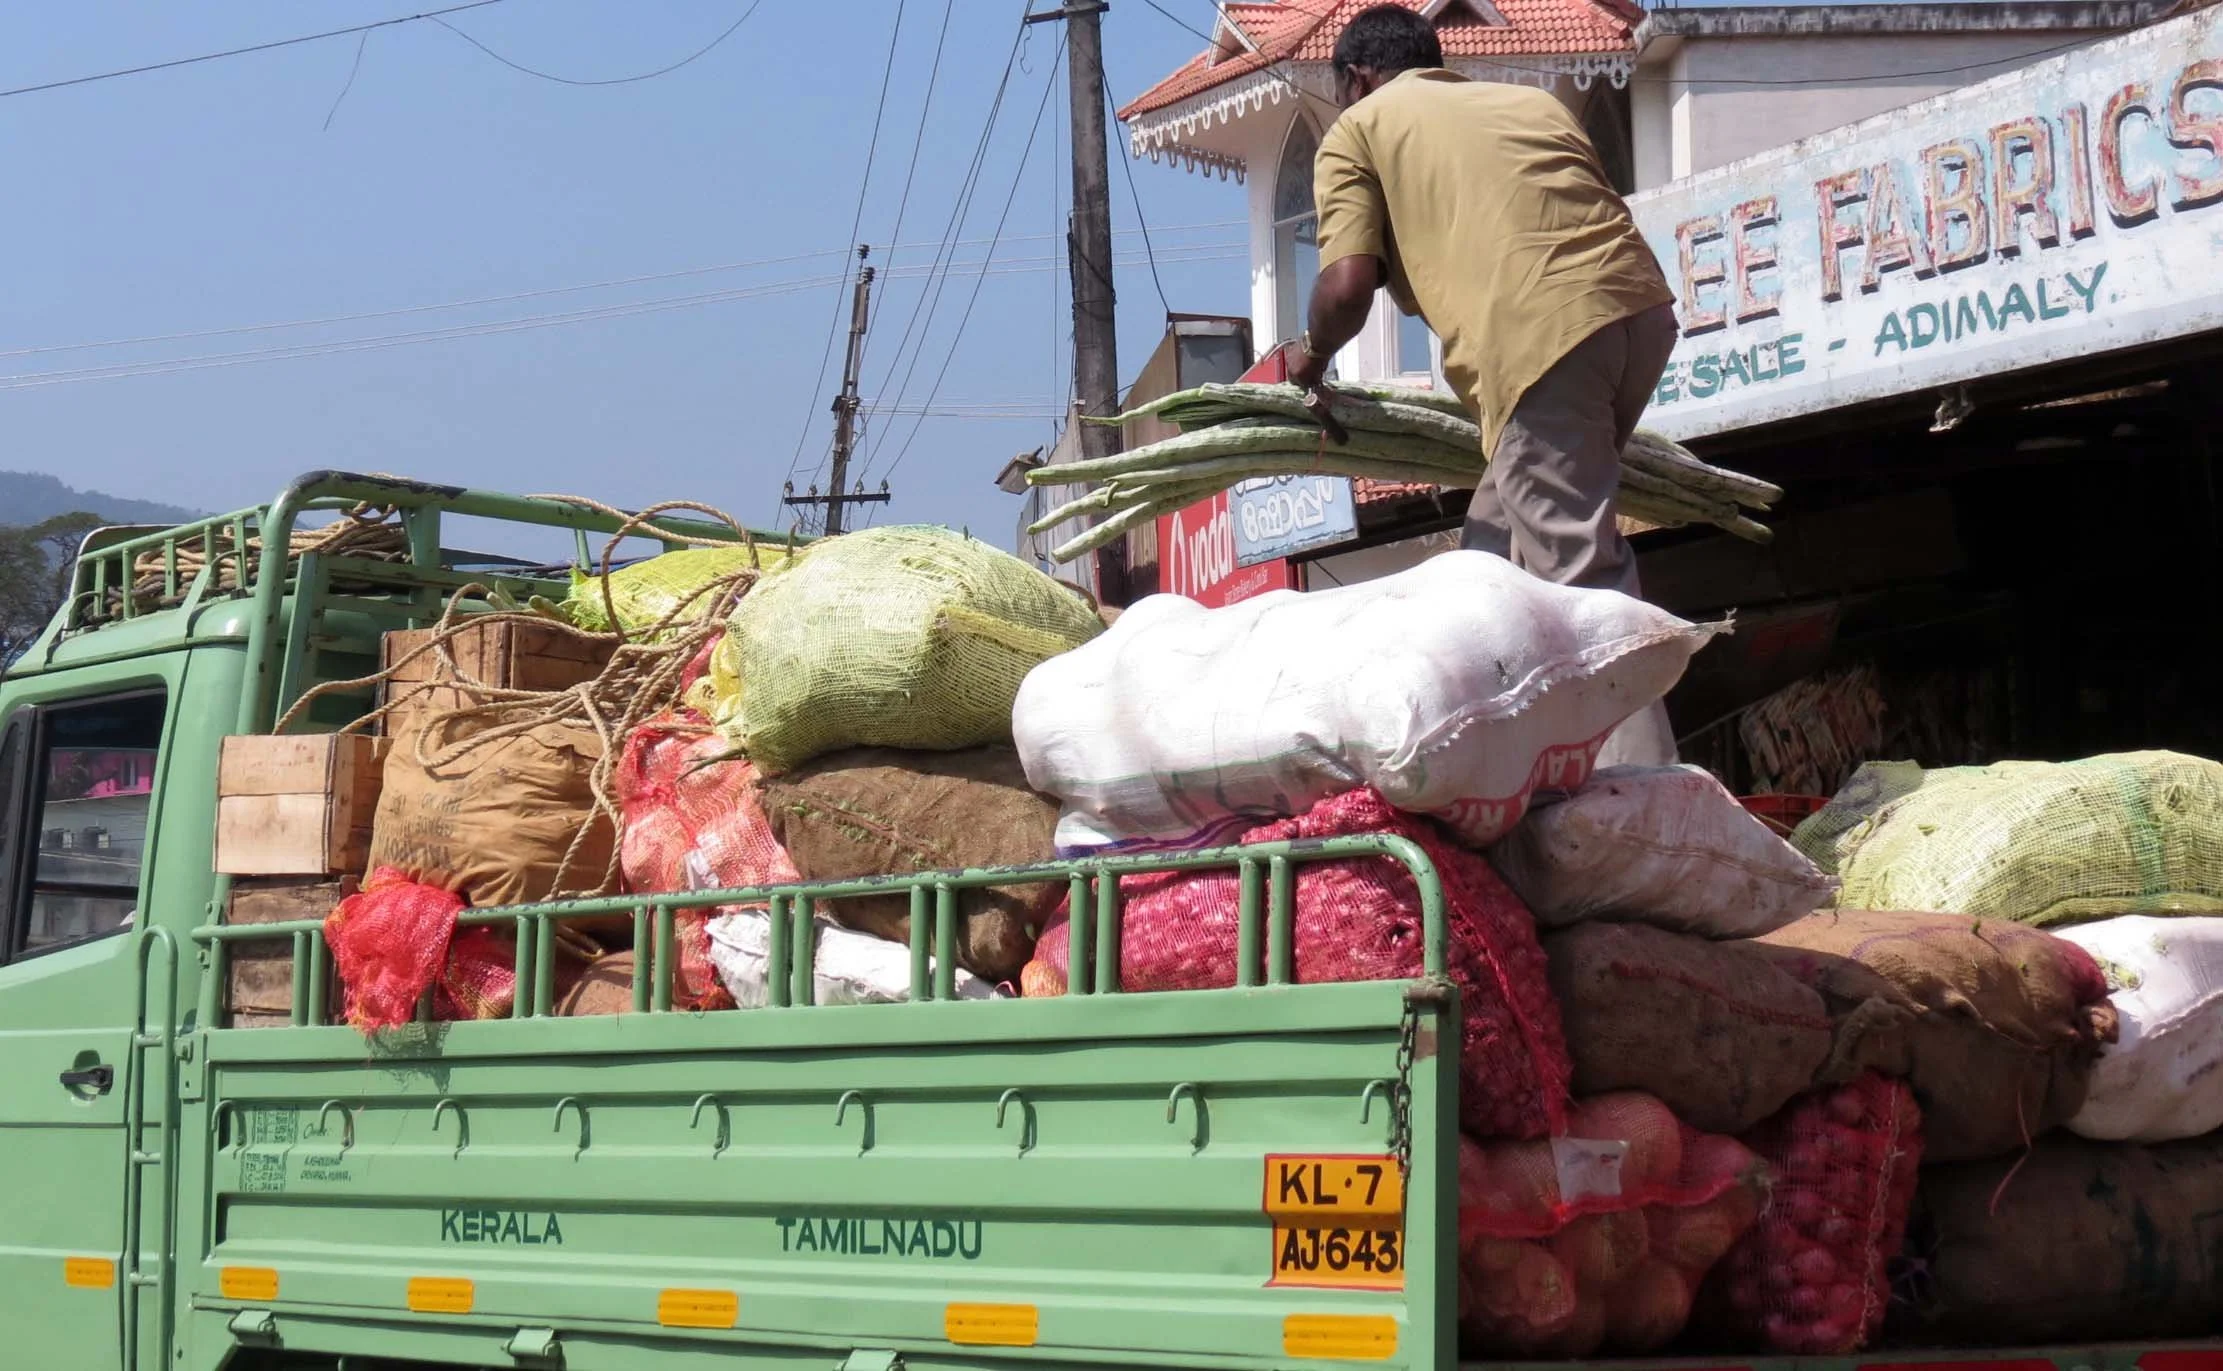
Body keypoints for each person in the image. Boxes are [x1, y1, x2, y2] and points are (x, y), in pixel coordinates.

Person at [1285, 4, 1682, 766]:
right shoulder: (1524, 100)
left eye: (1342, 89)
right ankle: (1499, 768)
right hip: (1636, 317)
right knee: (1487, 563)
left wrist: (1310, 355)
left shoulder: (1357, 130)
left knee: (1578, 580)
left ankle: (1645, 801)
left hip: (1539, 344)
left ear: (1356, 77)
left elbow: (1346, 282)